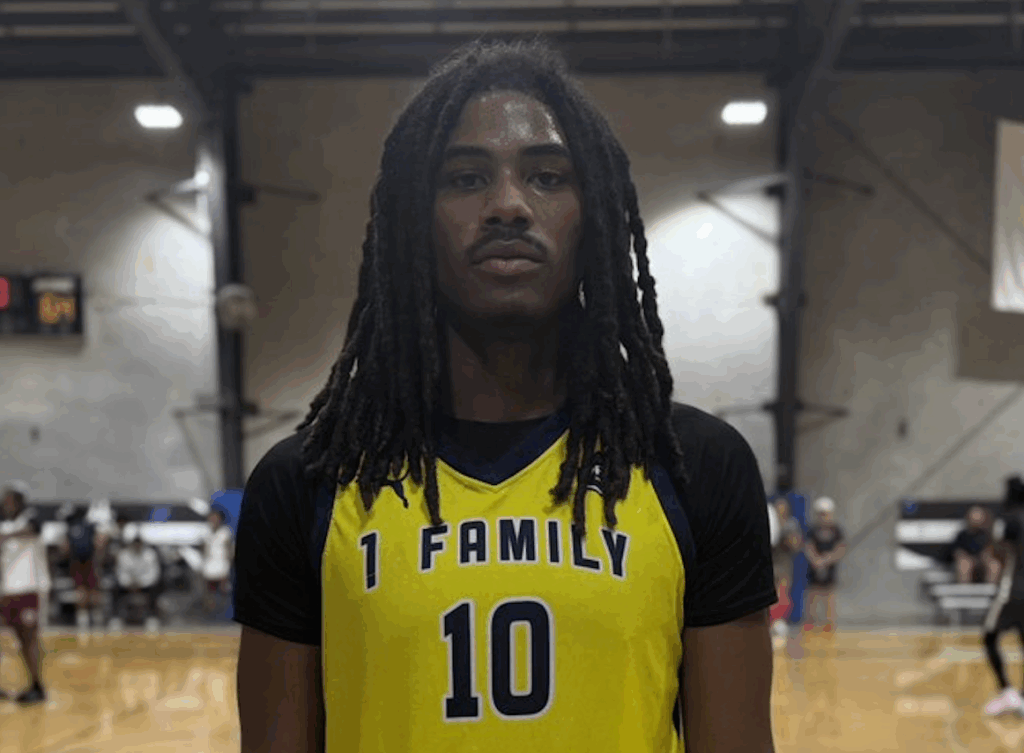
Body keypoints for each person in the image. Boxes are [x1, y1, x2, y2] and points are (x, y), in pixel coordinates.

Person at [233, 39, 777, 752]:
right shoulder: (305, 484)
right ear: (412, 222)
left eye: (548, 177)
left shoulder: (695, 468)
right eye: (465, 178)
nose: (509, 205)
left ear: (595, 215)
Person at [0, 481, 49, 703]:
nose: (6, 503)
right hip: (6, 590)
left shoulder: (31, 519)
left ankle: (37, 685)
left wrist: (7, 537)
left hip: (29, 588)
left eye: (10, 499)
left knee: (29, 637)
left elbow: (35, 528)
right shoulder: (5, 525)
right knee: (16, 638)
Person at [983, 475, 1024, 716]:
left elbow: (997, 549)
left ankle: (1007, 691)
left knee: (990, 637)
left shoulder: (1009, 519)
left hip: (1014, 589)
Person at [804, 496, 846, 633]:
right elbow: (808, 547)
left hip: (829, 567)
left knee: (829, 595)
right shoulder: (813, 530)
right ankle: (810, 621)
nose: (823, 517)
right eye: (821, 514)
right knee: (813, 593)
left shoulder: (836, 530)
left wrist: (828, 559)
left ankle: (829, 623)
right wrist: (816, 560)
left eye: (826, 514)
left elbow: (840, 548)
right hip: (815, 568)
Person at [61, 505, 106, 630]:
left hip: (87, 560)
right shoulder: (73, 526)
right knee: (84, 589)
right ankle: (86, 616)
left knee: (90, 588)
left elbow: (98, 542)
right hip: (79, 561)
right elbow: (66, 546)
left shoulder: (89, 526)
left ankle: (91, 616)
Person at [111, 527, 162, 631]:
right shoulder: (123, 555)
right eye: (135, 543)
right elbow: (120, 573)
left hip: (145, 584)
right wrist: (129, 583)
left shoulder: (150, 554)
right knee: (115, 589)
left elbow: (153, 573)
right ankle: (116, 617)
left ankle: (152, 617)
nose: (137, 545)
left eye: (139, 543)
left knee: (155, 589)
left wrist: (141, 583)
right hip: (128, 585)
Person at [770, 497, 803, 635]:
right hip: (770, 563)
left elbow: (797, 545)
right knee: (769, 595)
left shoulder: (791, 524)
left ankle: (780, 620)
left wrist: (786, 536)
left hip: (784, 564)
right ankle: (769, 621)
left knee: (783, 593)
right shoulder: (769, 522)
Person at [949, 505, 999, 584]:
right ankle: (964, 588)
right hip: (967, 560)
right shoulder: (962, 535)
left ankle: (990, 588)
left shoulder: (986, 535)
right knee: (964, 564)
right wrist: (966, 558)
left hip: (982, 561)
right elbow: (957, 552)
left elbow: (989, 551)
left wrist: (984, 557)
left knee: (994, 565)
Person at [201, 509, 233, 619]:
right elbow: (204, 549)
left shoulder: (225, 532)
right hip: (209, 564)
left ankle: (224, 612)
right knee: (210, 590)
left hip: (222, 564)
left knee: (224, 590)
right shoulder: (205, 532)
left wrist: (230, 564)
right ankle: (210, 614)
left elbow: (229, 549)